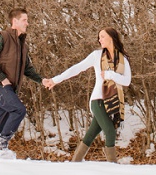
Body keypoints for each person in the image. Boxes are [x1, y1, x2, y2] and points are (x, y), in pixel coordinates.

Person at [43, 27, 132, 163]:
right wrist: (55, 80)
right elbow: (77, 68)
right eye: (99, 37)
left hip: (113, 102)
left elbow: (126, 81)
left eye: (102, 36)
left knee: (90, 135)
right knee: (110, 131)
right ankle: (113, 167)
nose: (99, 39)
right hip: (97, 101)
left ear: (111, 38)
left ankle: (75, 163)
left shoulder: (122, 59)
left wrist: (110, 74)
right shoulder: (97, 55)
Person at [0, 8, 45, 158]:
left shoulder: (23, 45)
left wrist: (42, 80)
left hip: (10, 90)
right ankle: (1, 143)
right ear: (14, 21)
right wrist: (2, 79)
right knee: (19, 110)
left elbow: (27, 69)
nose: (27, 23)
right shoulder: (2, 37)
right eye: (24, 20)